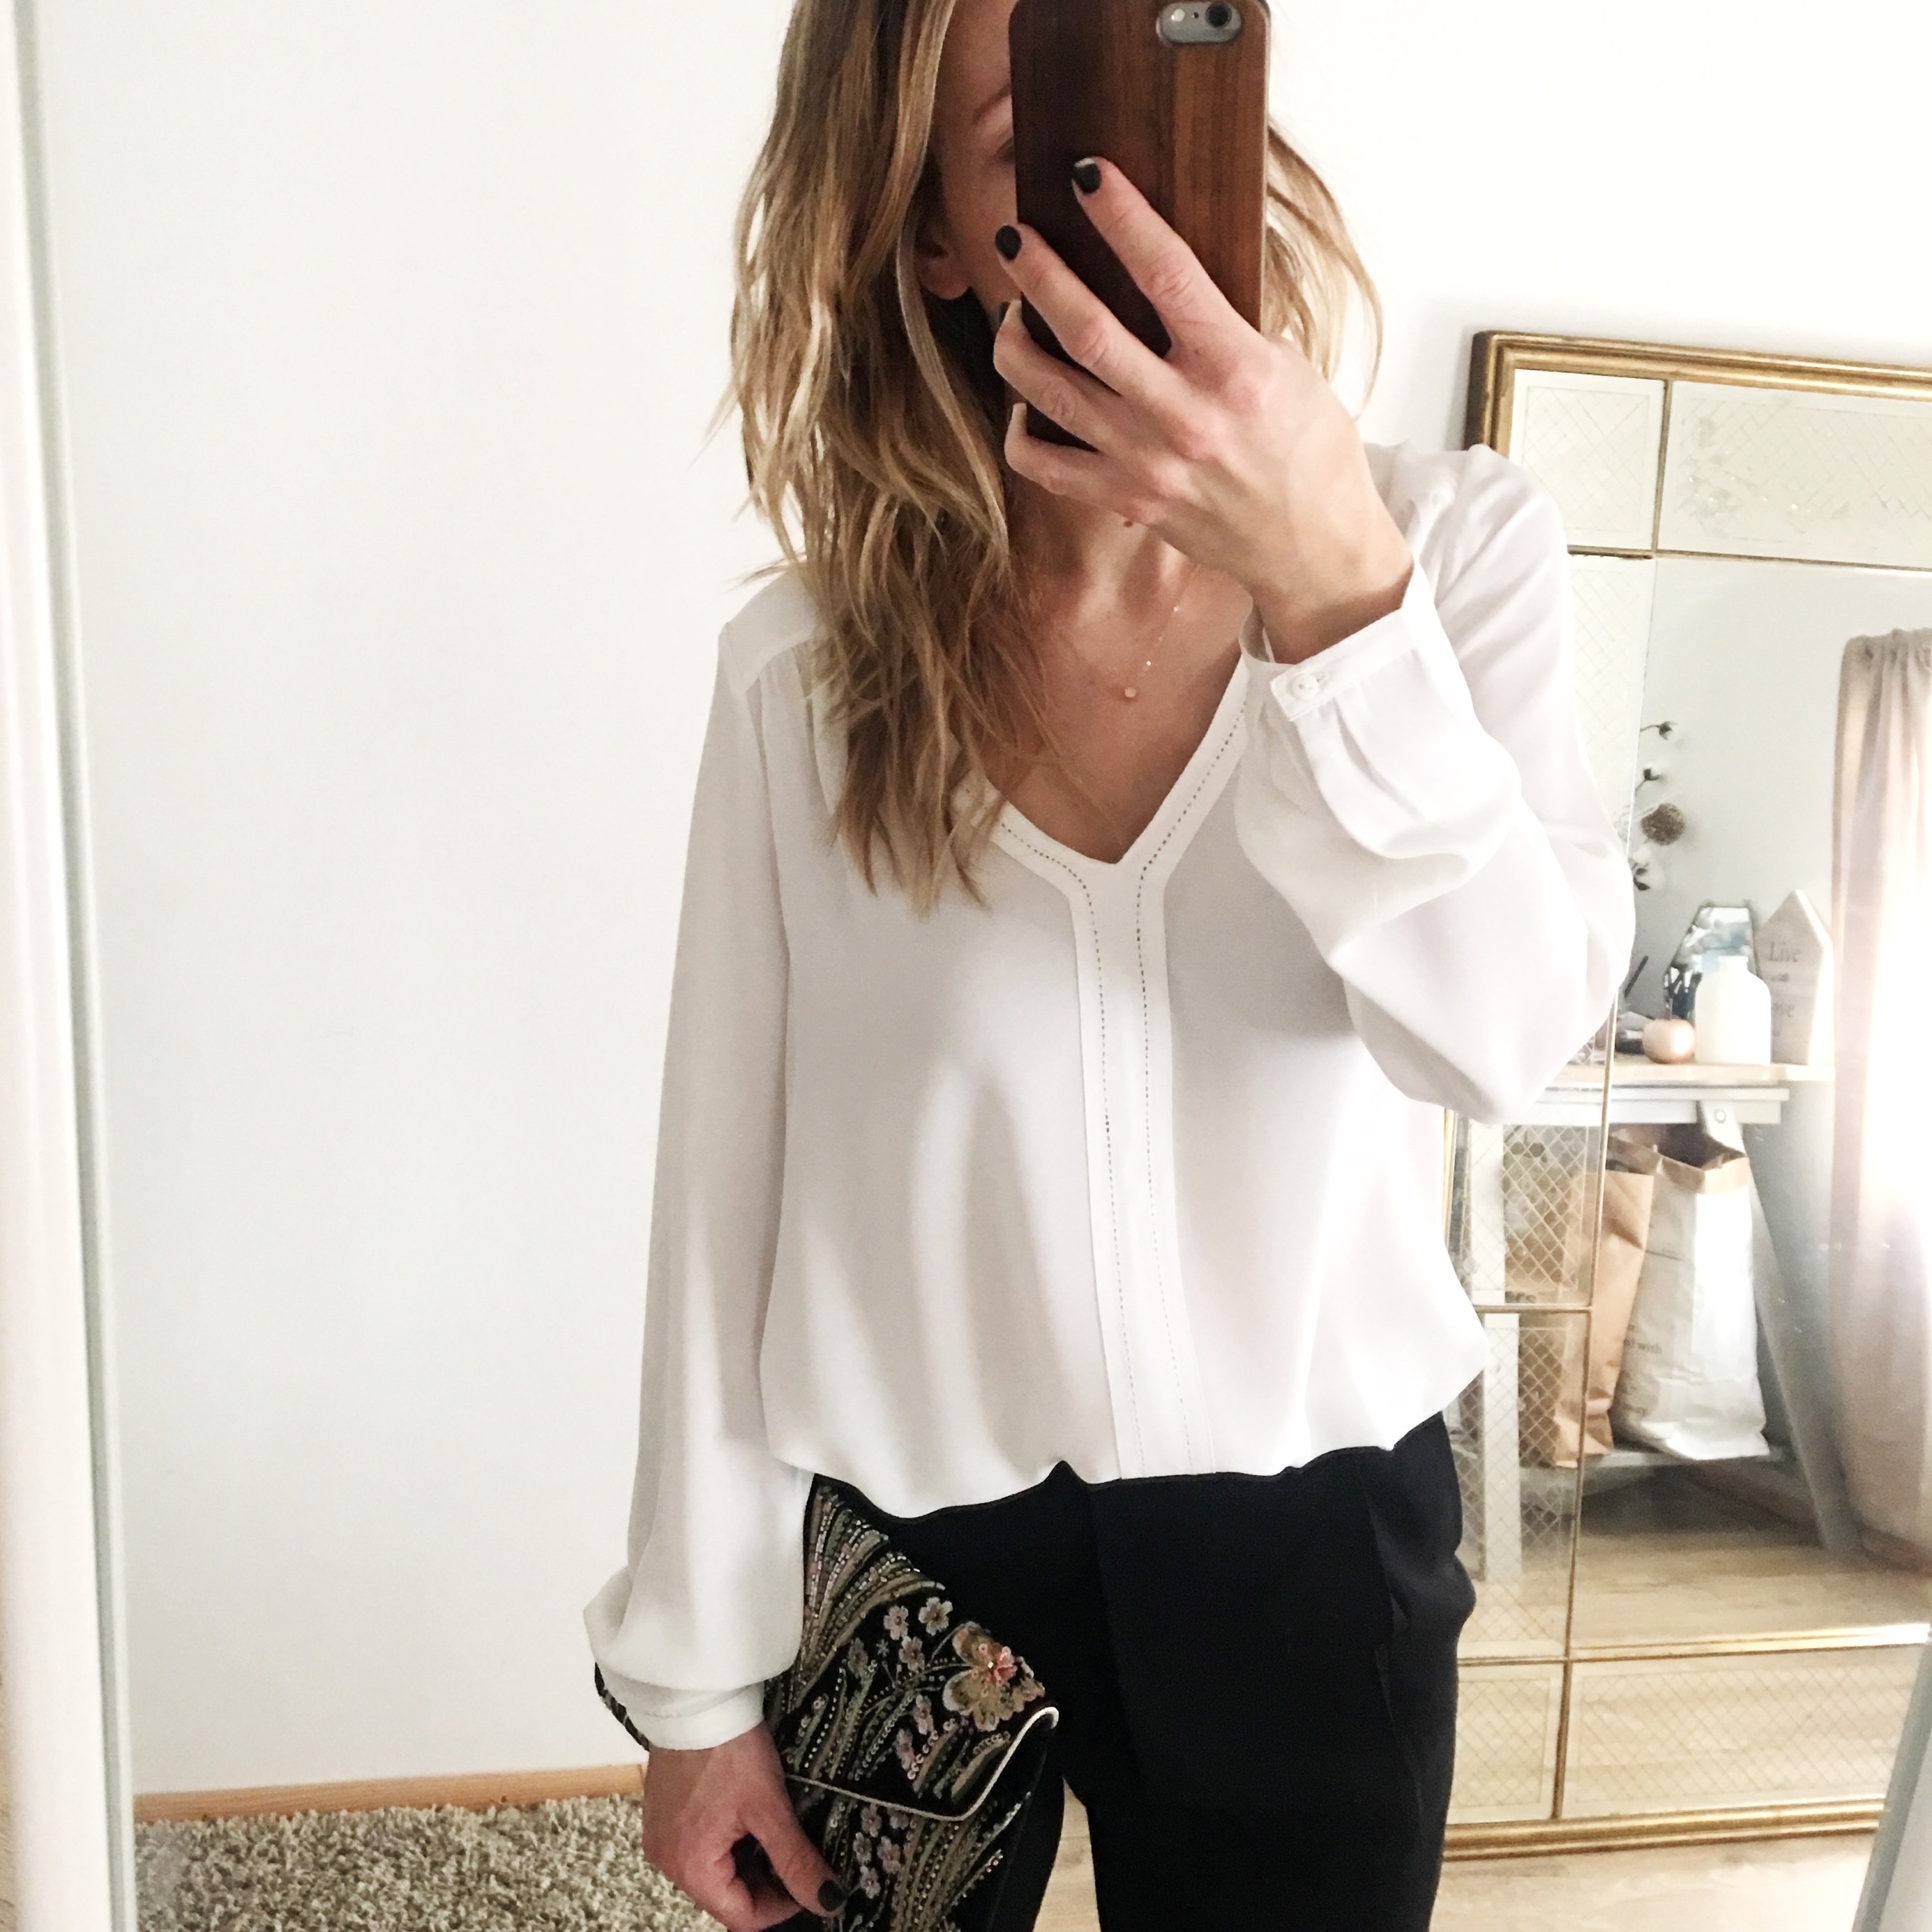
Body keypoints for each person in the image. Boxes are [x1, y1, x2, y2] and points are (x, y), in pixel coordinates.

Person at [584, 0, 1633, 1926]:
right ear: (927, 231)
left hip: (1314, 1556)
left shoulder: (1449, 560)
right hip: (910, 1578)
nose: (1132, 188)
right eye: (1051, 142)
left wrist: (1332, 599)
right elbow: (720, 1193)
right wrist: (695, 1683)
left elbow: (1502, 1037)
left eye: (1175, 98)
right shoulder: (805, 674)